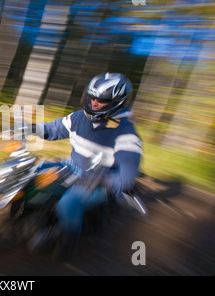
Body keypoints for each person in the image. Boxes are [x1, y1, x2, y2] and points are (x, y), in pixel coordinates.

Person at [30, 72, 143, 252]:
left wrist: (105, 181)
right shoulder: (79, 118)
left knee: (68, 204)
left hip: (98, 180)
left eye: (102, 99)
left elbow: (127, 176)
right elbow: (54, 128)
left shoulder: (126, 135)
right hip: (72, 166)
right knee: (31, 174)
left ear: (117, 102)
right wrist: (29, 128)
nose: (94, 103)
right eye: (92, 97)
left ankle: (69, 239)